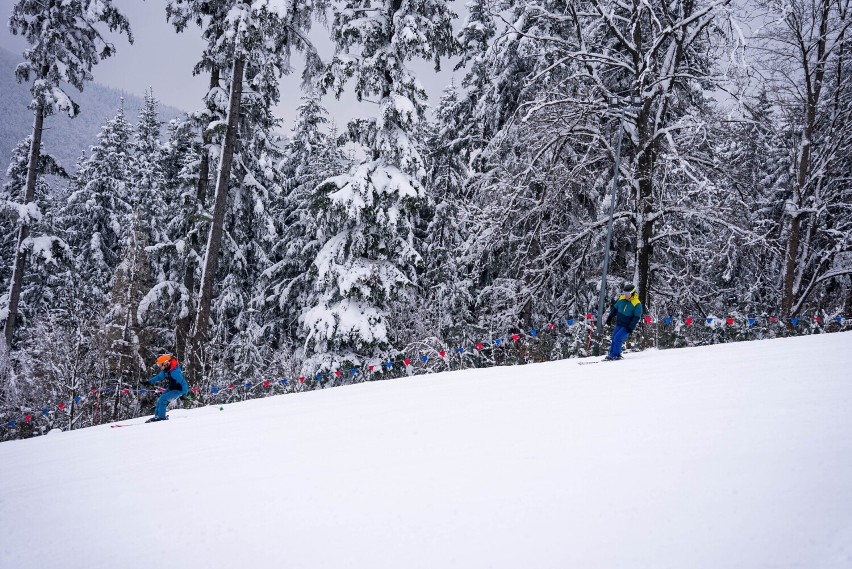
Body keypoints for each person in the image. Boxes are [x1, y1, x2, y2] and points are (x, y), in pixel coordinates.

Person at [604, 282, 643, 361]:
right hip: (619, 324)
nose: (626, 295)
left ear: (632, 293)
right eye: (624, 293)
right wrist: (609, 318)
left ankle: (616, 354)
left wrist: (630, 327)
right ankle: (611, 354)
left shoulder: (637, 304)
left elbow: (636, 318)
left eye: (627, 293)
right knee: (614, 337)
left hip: (627, 326)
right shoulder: (621, 299)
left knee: (618, 338)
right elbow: (614, 309)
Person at [145, 354, 188, 422]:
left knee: (163, 399)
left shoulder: (175, 372)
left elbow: (183, 383)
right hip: (172, 387)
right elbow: (159, 377)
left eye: (160, 365)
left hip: (178, 389)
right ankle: (157, 416)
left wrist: (184, 393)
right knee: (160, 399)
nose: (159, 367)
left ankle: (161, 417)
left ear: (166, 363)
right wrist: (149, 382)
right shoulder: (166, 370)